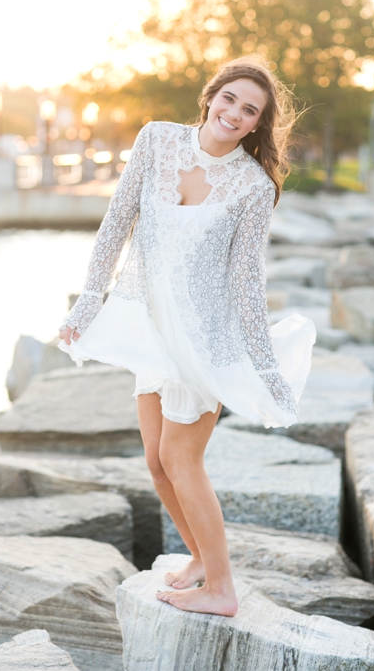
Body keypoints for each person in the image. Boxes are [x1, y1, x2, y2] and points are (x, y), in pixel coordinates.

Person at [58, 57, 315, 617]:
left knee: (182, 457)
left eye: (250, 111)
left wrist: (264, 370)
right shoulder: (156, 141)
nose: (235, 113)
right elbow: (116, 223)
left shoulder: (253, 186)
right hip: (152, 330)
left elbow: (247, 282)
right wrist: (88, 301)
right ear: (211, 97)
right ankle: (199, 558)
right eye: (230, 99)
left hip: (206, 340)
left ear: (256, 126)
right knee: (155, 460)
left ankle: (221, 589)